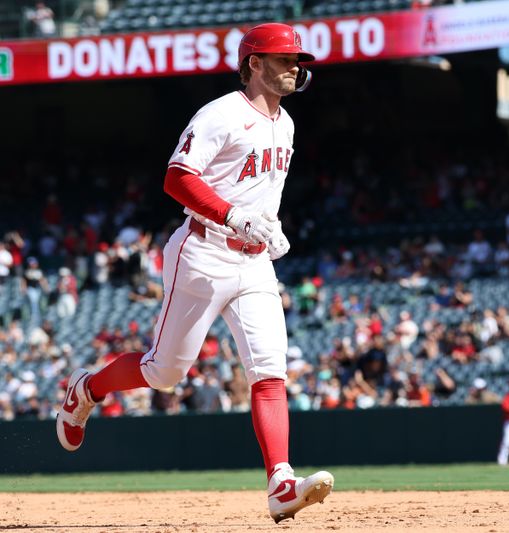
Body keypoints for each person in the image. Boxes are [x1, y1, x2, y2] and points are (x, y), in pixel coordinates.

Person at [55, 23, 332, 523]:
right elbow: (176, 179)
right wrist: (232, 216)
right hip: (203, 254)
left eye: (297, 58)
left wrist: (270, 227)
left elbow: (258, 194)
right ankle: (87, 388)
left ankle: (281, 483)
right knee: (165, 372)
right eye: (285, 58)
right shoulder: (222, 113)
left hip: (253, 261)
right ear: (254, 64)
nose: (296, 66)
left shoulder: (286, 123)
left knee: (270, 372)